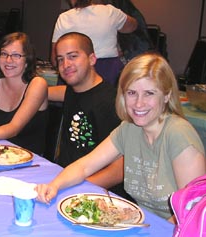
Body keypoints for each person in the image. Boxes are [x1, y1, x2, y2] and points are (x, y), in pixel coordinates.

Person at [36, 52, 206, 222]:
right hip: (143, 225)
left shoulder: (178, 134)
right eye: (132, 93)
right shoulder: (129, 128)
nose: (139, 103)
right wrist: (54, 186)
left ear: (167, 95)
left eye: (149, 93)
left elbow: (191, 210)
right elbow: (84, 166)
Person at [49, 32, 131, 200]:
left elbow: (120, 170)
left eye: (72, 56)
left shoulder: (110, 103)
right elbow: (48, 92)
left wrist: (77, 189)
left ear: (92, 59)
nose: (66, 64)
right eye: (60, 59)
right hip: (67, 179)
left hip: (98, 193)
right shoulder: (74, 89)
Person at [0, 32, 48, 155]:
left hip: (29, 159)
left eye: (16, 55)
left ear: (28, 59)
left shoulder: (37, 84)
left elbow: (14, 128)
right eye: (4, 54)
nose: (8, 60)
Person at [50, 0, 138, 85]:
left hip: (76, 73)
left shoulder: (64, 18)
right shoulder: (110, 12)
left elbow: (54, 59)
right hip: (109, 71)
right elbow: (133, 26)